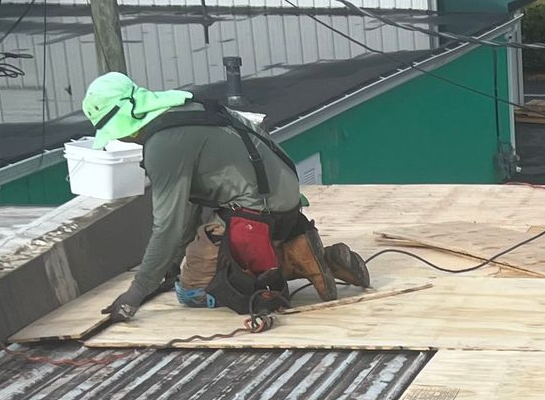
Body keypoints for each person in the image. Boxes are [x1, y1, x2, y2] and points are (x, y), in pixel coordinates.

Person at [82, 75, 368, 324]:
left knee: (190, 292)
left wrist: (137, 292)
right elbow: (190, 206)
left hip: (256, 217)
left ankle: (291, 262)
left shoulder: (162, 145)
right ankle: (310, 254)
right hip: (286, 203)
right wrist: (168, 267)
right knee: (192, 262)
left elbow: (168, 226)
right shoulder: (186, 108)